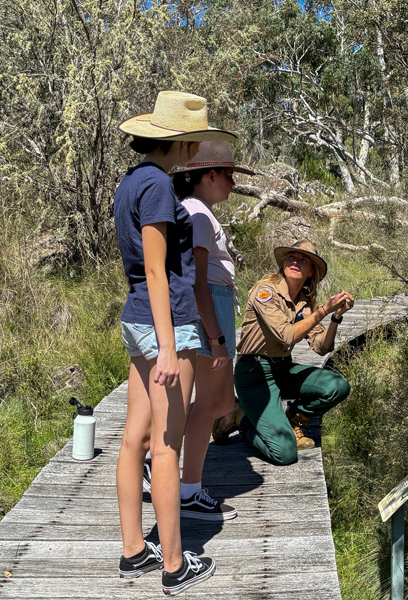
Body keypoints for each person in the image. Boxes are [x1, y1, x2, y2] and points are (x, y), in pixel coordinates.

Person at [113, 91, 233, 595]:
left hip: (137, 316)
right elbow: (160, 271)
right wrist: (168, 345)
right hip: (168, 323)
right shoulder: (160, 186)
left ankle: (134, 551)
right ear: (182, 142)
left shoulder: (131, 182)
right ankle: (174, 565)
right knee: (167, 444)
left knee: (132, 438)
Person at [168, 141, 254, 520]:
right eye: (230, 176)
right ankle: (184, 484)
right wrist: (216, 337)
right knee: (208, 403)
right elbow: (198, 281)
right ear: (210, 175)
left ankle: (163, 453)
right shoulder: (198, 214)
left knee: (220, 402)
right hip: (211, 308)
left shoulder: (200, 213)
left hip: (218, 304)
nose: (232, 184)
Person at [233, 240, 355, 466]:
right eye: (291, 257)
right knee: (285, 453)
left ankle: (296, 417)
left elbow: (321, 348)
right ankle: (239, 417)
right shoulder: (266, 292)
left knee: (337, 386)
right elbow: (286, 335)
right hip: (254, 374)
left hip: (283, 369)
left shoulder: (305, 302)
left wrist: (336, 316)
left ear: (311, 273)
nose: (296, 262)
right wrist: (324, 310)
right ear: (283, 264)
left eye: (303, 260)